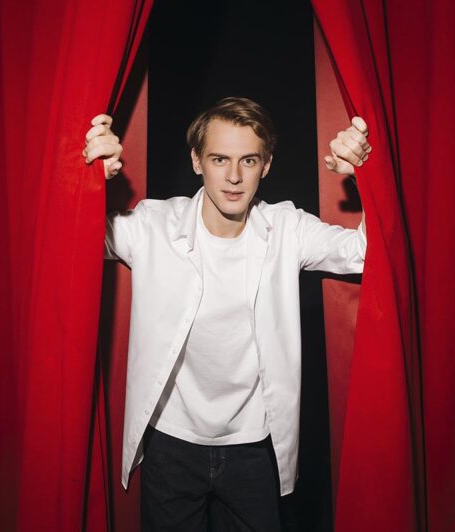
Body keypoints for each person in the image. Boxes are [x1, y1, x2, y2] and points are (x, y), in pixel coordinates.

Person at [82, 97, 371, 531]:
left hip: (252, 446)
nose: (234, 177)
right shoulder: (152, 226)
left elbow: (365, 253)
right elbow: (73, 236)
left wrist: (366, 176)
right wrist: (87, 177)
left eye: (248, 160)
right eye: (219, 159)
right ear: (197, 161)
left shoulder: (287, 229)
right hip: (171, 441)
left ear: (266, 165)